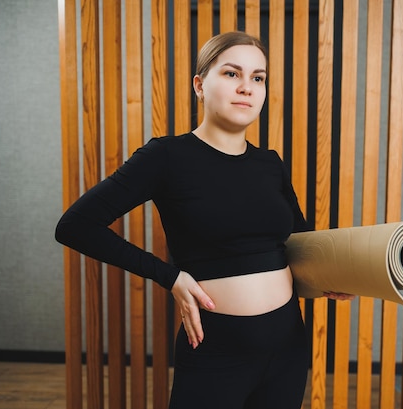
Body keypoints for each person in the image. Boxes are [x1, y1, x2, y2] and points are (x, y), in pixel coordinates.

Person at [55, 31, 352, 409]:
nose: (247, 87)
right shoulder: (166, 157)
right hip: (216, 350)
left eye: (257, 78)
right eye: (231, 74)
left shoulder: (270, 164)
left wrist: (334, 275)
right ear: (199, 84)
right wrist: (171, 277)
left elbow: (299, 241)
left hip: (288, 345)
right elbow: (75, 226)